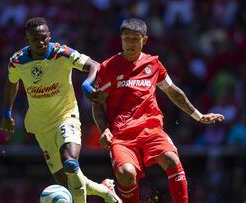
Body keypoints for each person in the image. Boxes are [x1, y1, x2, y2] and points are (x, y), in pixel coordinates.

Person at [90, 18, 225, 203]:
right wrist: (104, 129)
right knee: (125, 173)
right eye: (126, 38)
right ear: (121, 39)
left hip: (151, 130)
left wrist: (198, 115)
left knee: (171, 159)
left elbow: (172, 91)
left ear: (144, 40)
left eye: (135, 39)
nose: (130, 43)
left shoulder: (153, 64)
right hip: (121, 135)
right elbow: (98, 103)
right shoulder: (108, 67)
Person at [0, 17, 121, 203]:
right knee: (67, 182)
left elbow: (94, 65)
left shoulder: (61, 53)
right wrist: (7, 113)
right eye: (34, 39)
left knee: (70, 161)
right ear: (27, 39)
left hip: (66, 116)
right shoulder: (17, 62)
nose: (40, 42)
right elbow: (11, 83)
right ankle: (104, 190)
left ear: (49, 36)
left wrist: (87, 84)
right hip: (41, 126)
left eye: (43, 38)